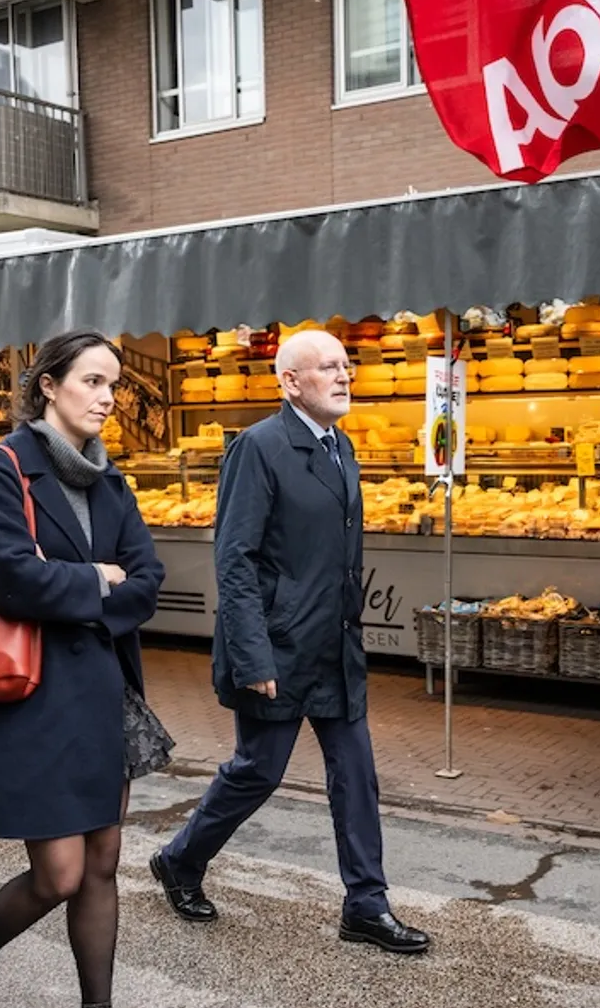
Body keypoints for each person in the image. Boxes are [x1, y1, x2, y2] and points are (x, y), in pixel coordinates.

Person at [150, 329, 431, 955]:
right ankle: (180, 859)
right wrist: (252, 655)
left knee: (356, 774)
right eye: (327, 367)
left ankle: (366, 904)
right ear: (290, 382)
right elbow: (236, 559)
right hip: (276, 648)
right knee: (258, 772)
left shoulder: (342, 446)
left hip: (334, 648)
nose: (344, 375)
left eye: (346, 365)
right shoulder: (259, 447)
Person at [0, 330, 170, 1008]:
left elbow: (149, 579)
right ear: (49, 386)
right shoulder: (3, 466)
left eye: (113, 385)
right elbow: (11, 580)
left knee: (102, 866)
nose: (108, 398)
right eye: (93, 381)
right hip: (29, 692)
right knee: (60, 873)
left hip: (103, 693)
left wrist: (83, 589)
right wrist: (96, 578)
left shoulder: (109, 476)